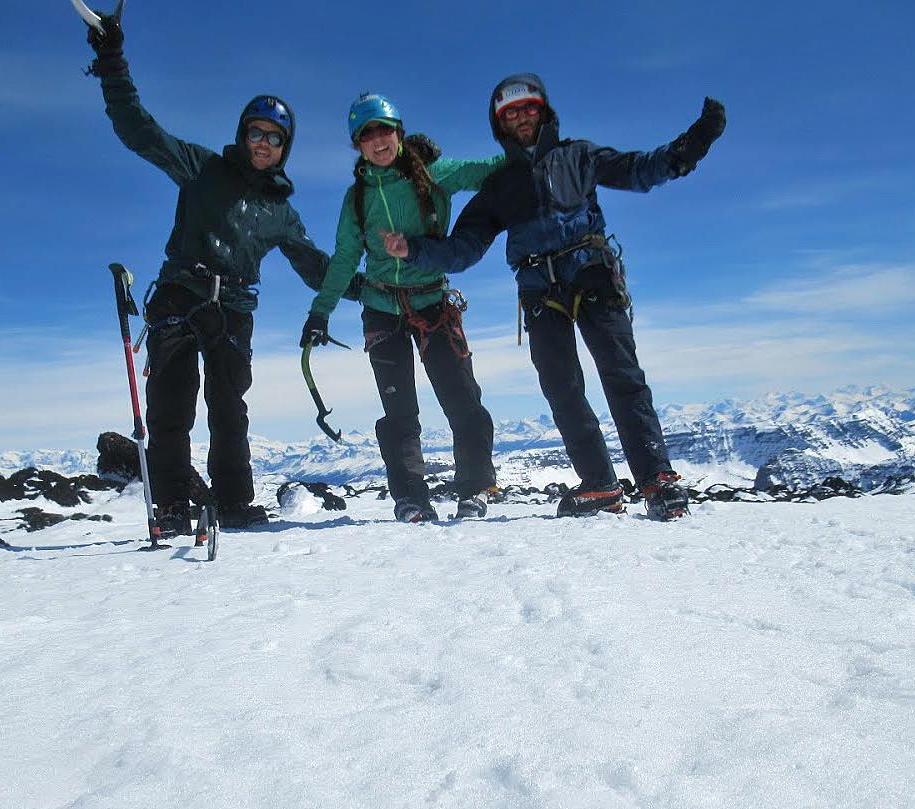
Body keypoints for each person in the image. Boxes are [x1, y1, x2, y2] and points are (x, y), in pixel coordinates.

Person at [383, 74, 725, 521]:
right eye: (510, 113)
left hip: (592, 275)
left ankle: (656, 480)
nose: (521, 118)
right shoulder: (501, 185)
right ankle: (600, 484)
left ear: (543, 112)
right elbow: (464, 248)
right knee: (562, 389)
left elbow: (639, 169)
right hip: (540, 291)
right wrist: (415, 249)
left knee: (622, 376)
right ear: (500, 125)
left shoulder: (577, 155)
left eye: (528, 108)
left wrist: (690, 147)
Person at [82, 11, 335, 533]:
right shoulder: (201, 169)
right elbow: (139, 130)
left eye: (275, 137)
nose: (263, 142)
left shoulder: (281, 212)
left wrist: (368, 282)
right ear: (243, 134)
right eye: (256, 131)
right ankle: (173, 504)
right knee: (171, 406)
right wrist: (112, 63)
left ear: (286, 147)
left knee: (229, 410)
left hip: (235, 309)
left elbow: (314, 266)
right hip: (180, 295)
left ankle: (236, 502)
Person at [301, 93, 503, 523]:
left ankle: (475, 489)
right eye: (366, 133)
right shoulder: (356, 199)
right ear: (358, 144)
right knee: (399, 410)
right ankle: (411, 498)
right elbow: (342, 259)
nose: (377, 140)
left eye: (384, 129)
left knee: (461, 398)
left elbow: (487, 170)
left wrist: (533, 153)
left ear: (399, 132)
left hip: (433, 302)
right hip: (380, 307)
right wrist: (320, 311)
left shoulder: (434, 175)